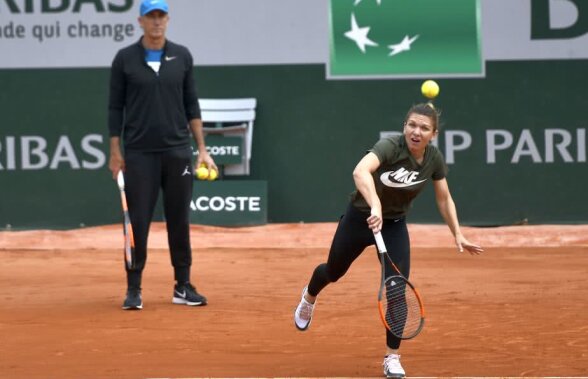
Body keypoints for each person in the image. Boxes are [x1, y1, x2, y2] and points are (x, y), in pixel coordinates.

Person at [293, 103, 483, 378]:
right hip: (360, 219)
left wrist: (458, 233)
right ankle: (309, 297)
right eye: (412, 125)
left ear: (434, 134)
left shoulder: (434, 159)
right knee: (333, 271)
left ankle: (392, 357)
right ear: (404, 126)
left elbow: (444, 197)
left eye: (424, 128)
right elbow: (360, 172)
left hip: (393, 225)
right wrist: (375, 206)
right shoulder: (390, 146)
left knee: (396, 288)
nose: (416, 132)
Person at [108, 0, 217, 310]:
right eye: (150, 16)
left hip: (178, 152)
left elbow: (191, 105)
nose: (156, 22)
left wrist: (202, 151)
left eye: (161, 16)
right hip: (140, 154)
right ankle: (134, 288)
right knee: (137, 223)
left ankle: (183, 285)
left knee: (179, 220)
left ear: (168, 20)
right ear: (140, 21)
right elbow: (115, 108)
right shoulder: (125, 59)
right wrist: (115, 151)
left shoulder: (181, 56)